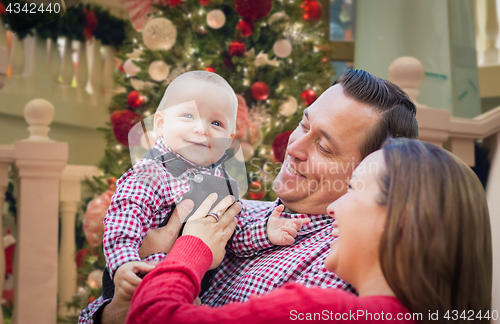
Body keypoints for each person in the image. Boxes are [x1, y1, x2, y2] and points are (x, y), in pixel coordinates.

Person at [78, 69, 419, 324]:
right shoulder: (240, 209)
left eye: (325, 147)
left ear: (369, 171)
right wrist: (116, 307)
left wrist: (186, 249)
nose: (293, 147)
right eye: (303, 125)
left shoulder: (338, 266)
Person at [125, 138, 493, 324]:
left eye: (353, 189)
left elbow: (152, 317)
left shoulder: (319, 310)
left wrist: (192, 247)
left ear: (401, 220)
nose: (335, 208)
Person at [99, 71, 306, 307]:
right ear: (160, 123)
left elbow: (230, 235)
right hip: (139, 276)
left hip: (191, 287)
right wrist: (123, 263)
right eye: (188, 115)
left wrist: (265, 231)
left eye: (216, 123)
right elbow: (123, 219)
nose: (202, 129)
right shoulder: (151, 172)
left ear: (228, 140)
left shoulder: (224, 182)